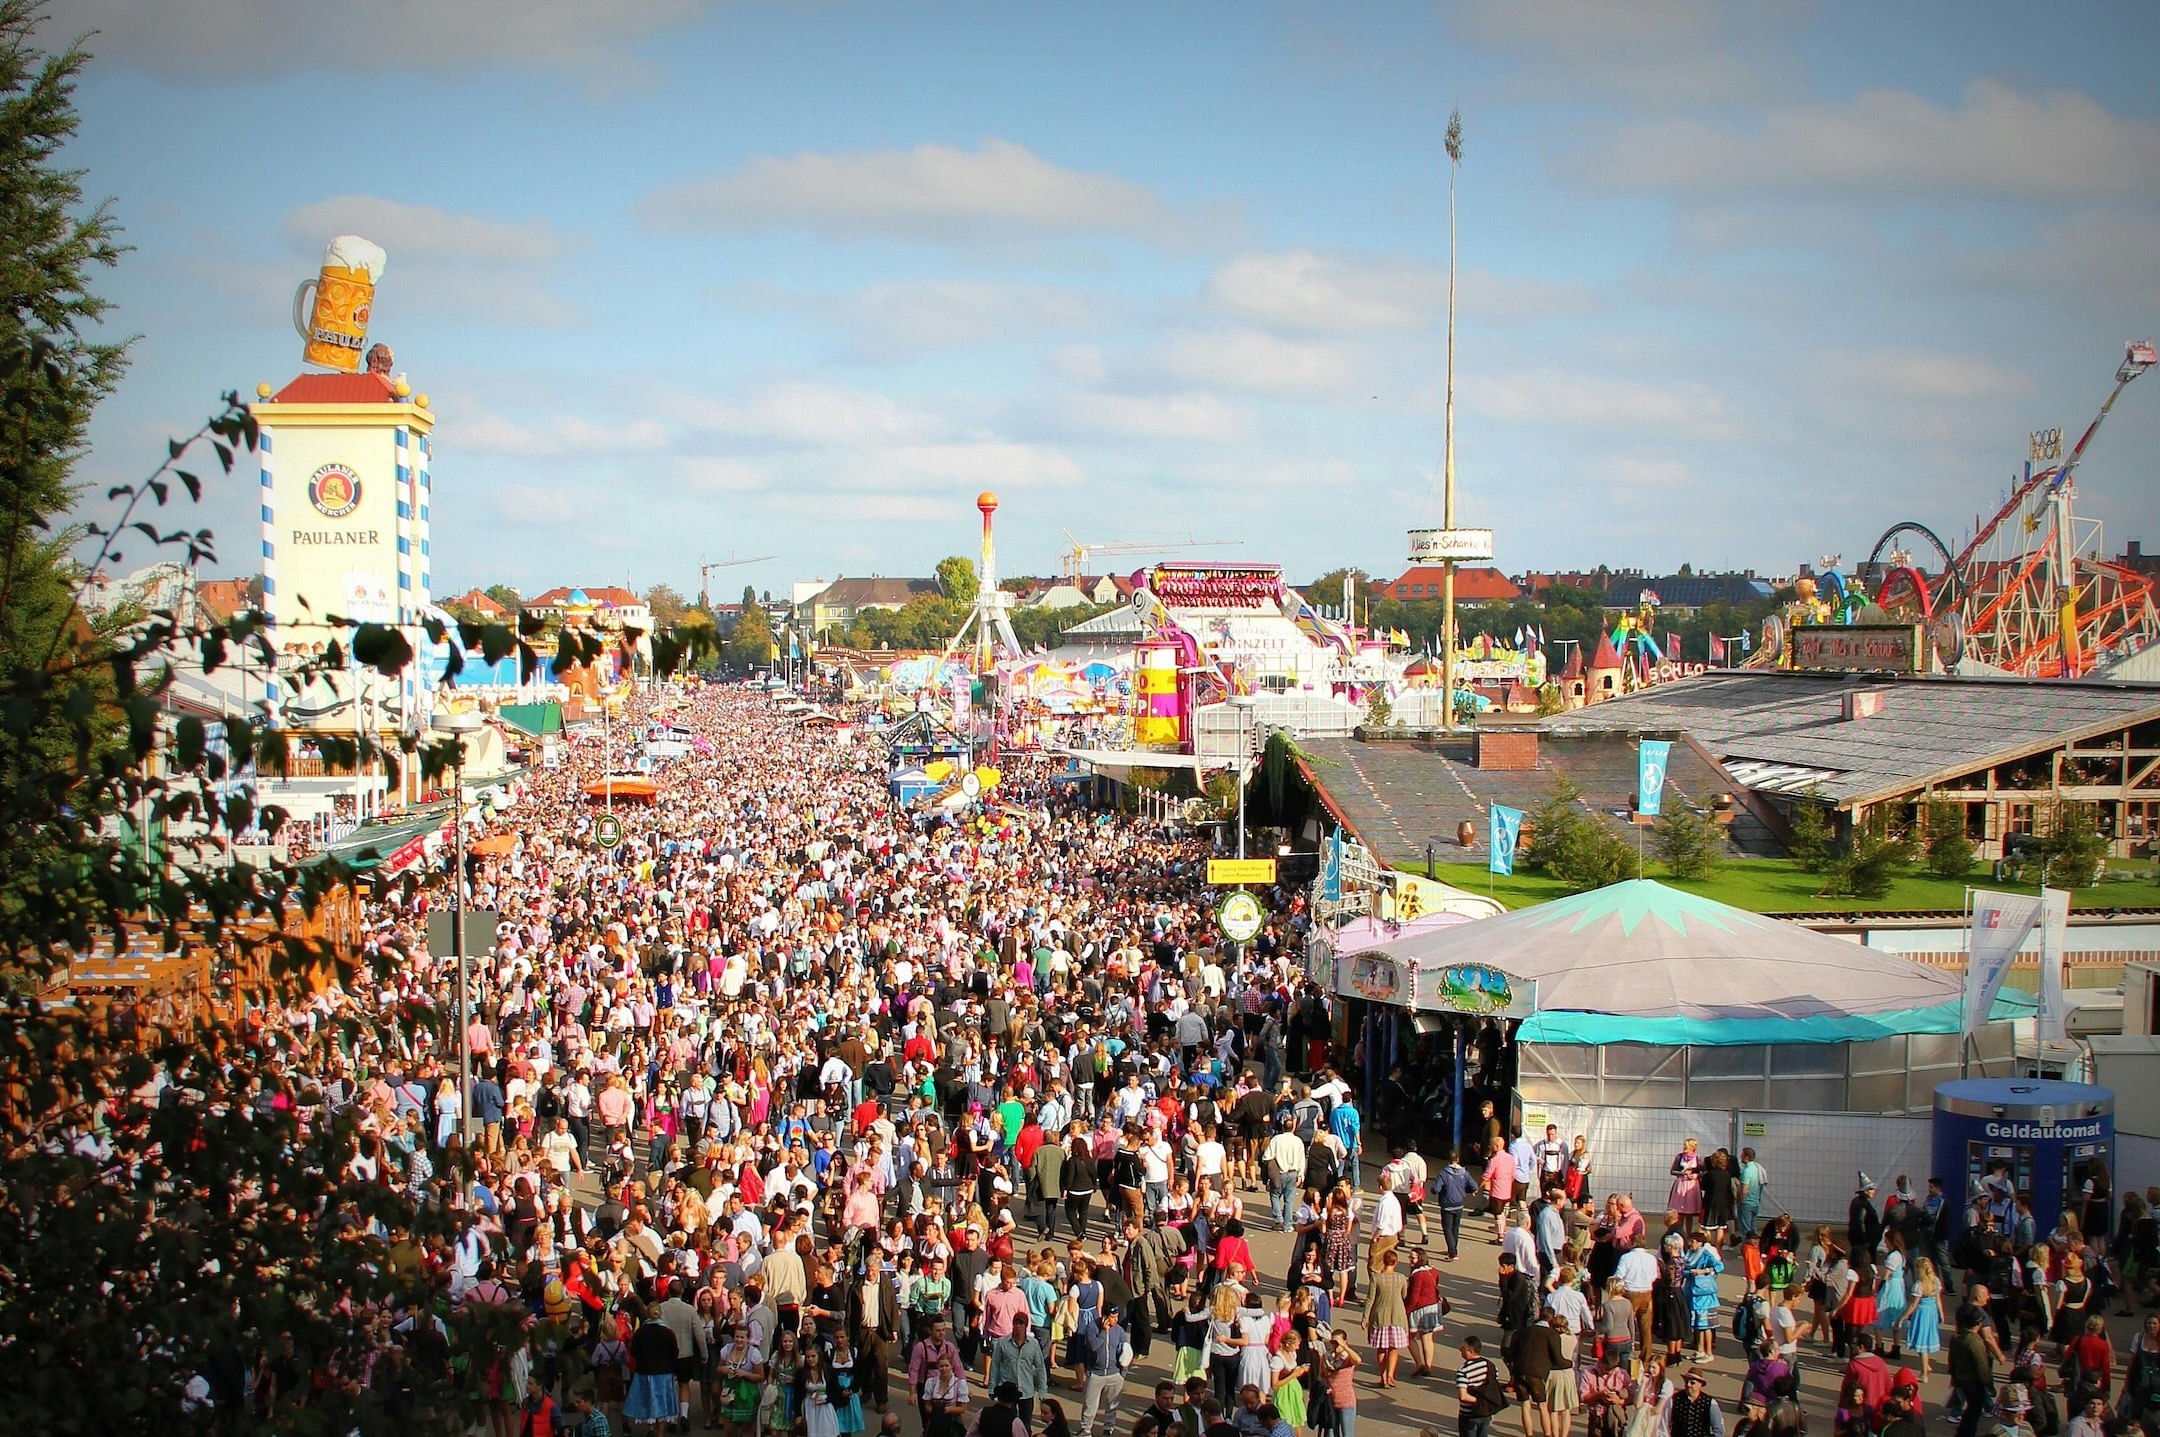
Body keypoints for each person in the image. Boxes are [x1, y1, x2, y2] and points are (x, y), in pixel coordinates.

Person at [1080, 1306, 1135, 1437]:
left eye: (1117, 1317)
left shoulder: (1120, 1331)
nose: (1116, 1320)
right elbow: (1093, 1347)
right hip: (1096, 1374)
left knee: (1112, 1405)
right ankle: (1086, 1429)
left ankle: (1109, 1428)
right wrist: (1104, 1332)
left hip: (1114, 1374)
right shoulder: (1092, 1328)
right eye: (1113, 1317)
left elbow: (1125, 1351)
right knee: (1090, 1405)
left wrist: (1123, 1373)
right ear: (1104, 1317)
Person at [1364, 1245, 1411, 1389]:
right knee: (1393, 1348)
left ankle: (1383, 1376)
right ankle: (1391, 1375)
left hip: (1380, 1317)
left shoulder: (1376, 1278)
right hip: (1397, 1316)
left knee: (1381, 1348)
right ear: (1395, 1263)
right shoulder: (1401, 1278)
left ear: (1383, 1261)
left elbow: (1370, 1299)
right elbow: (1404, 1296)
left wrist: (1365, 1318)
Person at [1456, 1336, 1504, 1437]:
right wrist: (1487, 1405)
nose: (1460, 1350)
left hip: (1469, 1414)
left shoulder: (1463, 1371)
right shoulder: (1491, 1366)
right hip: (1486, 1413)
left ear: (1471, 1351)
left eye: (1463, 1348)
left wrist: (1479, 1403)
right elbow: (1493, 1389)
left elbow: (1463, 1396)